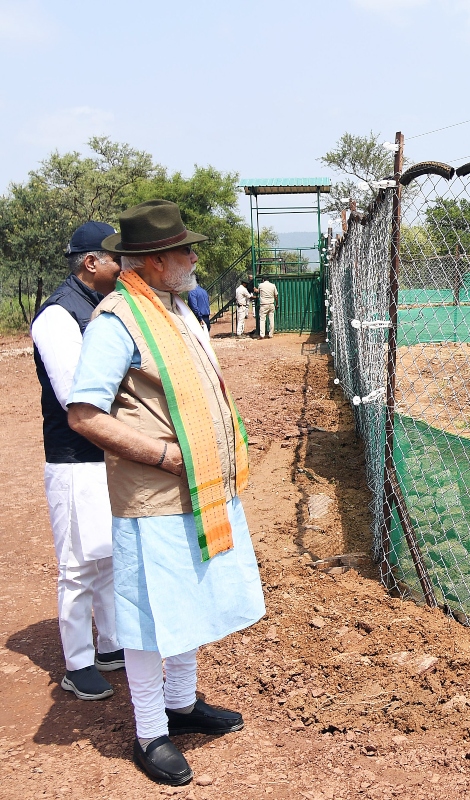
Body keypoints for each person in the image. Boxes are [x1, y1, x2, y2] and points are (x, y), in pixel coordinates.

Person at [67, 200, 265, 786]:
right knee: (153, 613)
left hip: (199, 486)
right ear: (154, 262)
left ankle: (181, 703)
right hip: (155, 493)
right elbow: (83, 414)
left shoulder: (172, 308)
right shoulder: (117, 322)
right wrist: (162, 456)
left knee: (188, 602)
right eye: (184, 249)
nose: (194, 256)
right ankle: (150, 730)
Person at [29, 221, 125, 701]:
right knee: (76, 565)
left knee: (107, 556)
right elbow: (76, 397)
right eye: (115, 258)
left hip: (105, 453)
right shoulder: (58, 316)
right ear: (92, 263)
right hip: (74, 460)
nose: (122, 265)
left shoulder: (100, 309)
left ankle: (109, 646)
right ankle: (78, 662)